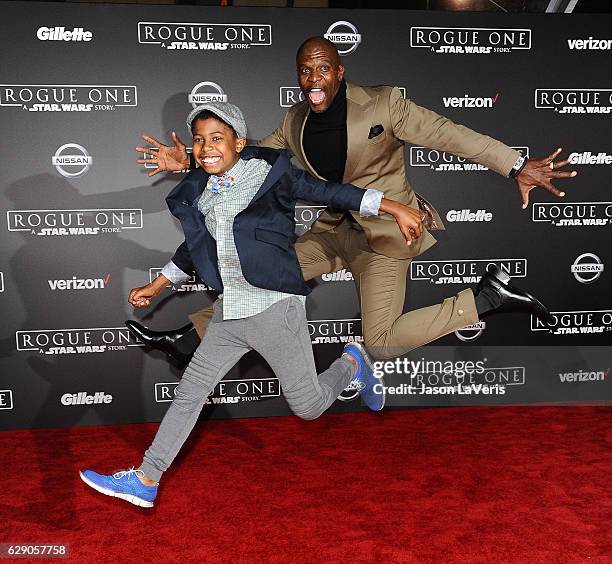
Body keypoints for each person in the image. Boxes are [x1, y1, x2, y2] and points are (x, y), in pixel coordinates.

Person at [127, 36, 576, 366]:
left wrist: (516, 165)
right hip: (333, 233)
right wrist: (190, 158)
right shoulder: (294, 120)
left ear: (340, 72)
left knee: (379, 342)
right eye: (306, 70)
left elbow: (449, 135)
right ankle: (190, 338)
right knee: (260, 274)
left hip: (385, 234)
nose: (314, 79)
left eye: (323, 68)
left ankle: (485, 300)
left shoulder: (385, 105)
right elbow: (249, 157)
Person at [80, 101, 426, 507]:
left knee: (310, 407)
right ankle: (146, 479)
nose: (207, 147)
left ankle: (352, 362)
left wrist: (393, 206)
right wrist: (157, 285)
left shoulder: (270, 175)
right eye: (200, 140)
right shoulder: (201, 190)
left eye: (217, 138)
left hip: (275, 308)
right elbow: (195, 249)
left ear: (238, 142)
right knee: (191, 391)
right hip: (229, 313)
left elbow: (330, 191)